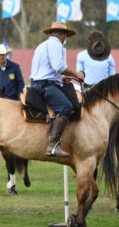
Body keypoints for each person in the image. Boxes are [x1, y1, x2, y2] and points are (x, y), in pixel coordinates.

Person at [30, 22, 84, 157]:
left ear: (51, 33)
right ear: (63, 35)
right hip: (45, 85)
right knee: (66, 106)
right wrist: (76, 75)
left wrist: (61, 79)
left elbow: (49, 69)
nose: (65, 38)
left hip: (39, 82)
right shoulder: (56, 45)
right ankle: (53, 145)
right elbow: (59, 67)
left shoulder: (42, 45)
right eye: (66, 35)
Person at [0, 43, 25, 194]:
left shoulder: (15, 67)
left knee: (11, 151)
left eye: (2, 55)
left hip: (13, 104)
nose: (0, 58)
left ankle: (11, 184)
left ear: (6, 55)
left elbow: (20, 84)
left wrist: (18, 99)